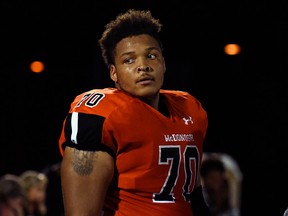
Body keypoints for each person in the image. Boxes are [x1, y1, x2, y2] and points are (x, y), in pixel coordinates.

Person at [58, 9, 210, 216]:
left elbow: (192, 194)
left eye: (151, 56)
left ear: (163, 63)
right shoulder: (100, 114)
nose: (143, 66)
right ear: (113, 72)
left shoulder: (189, 108)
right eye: (129, 60)